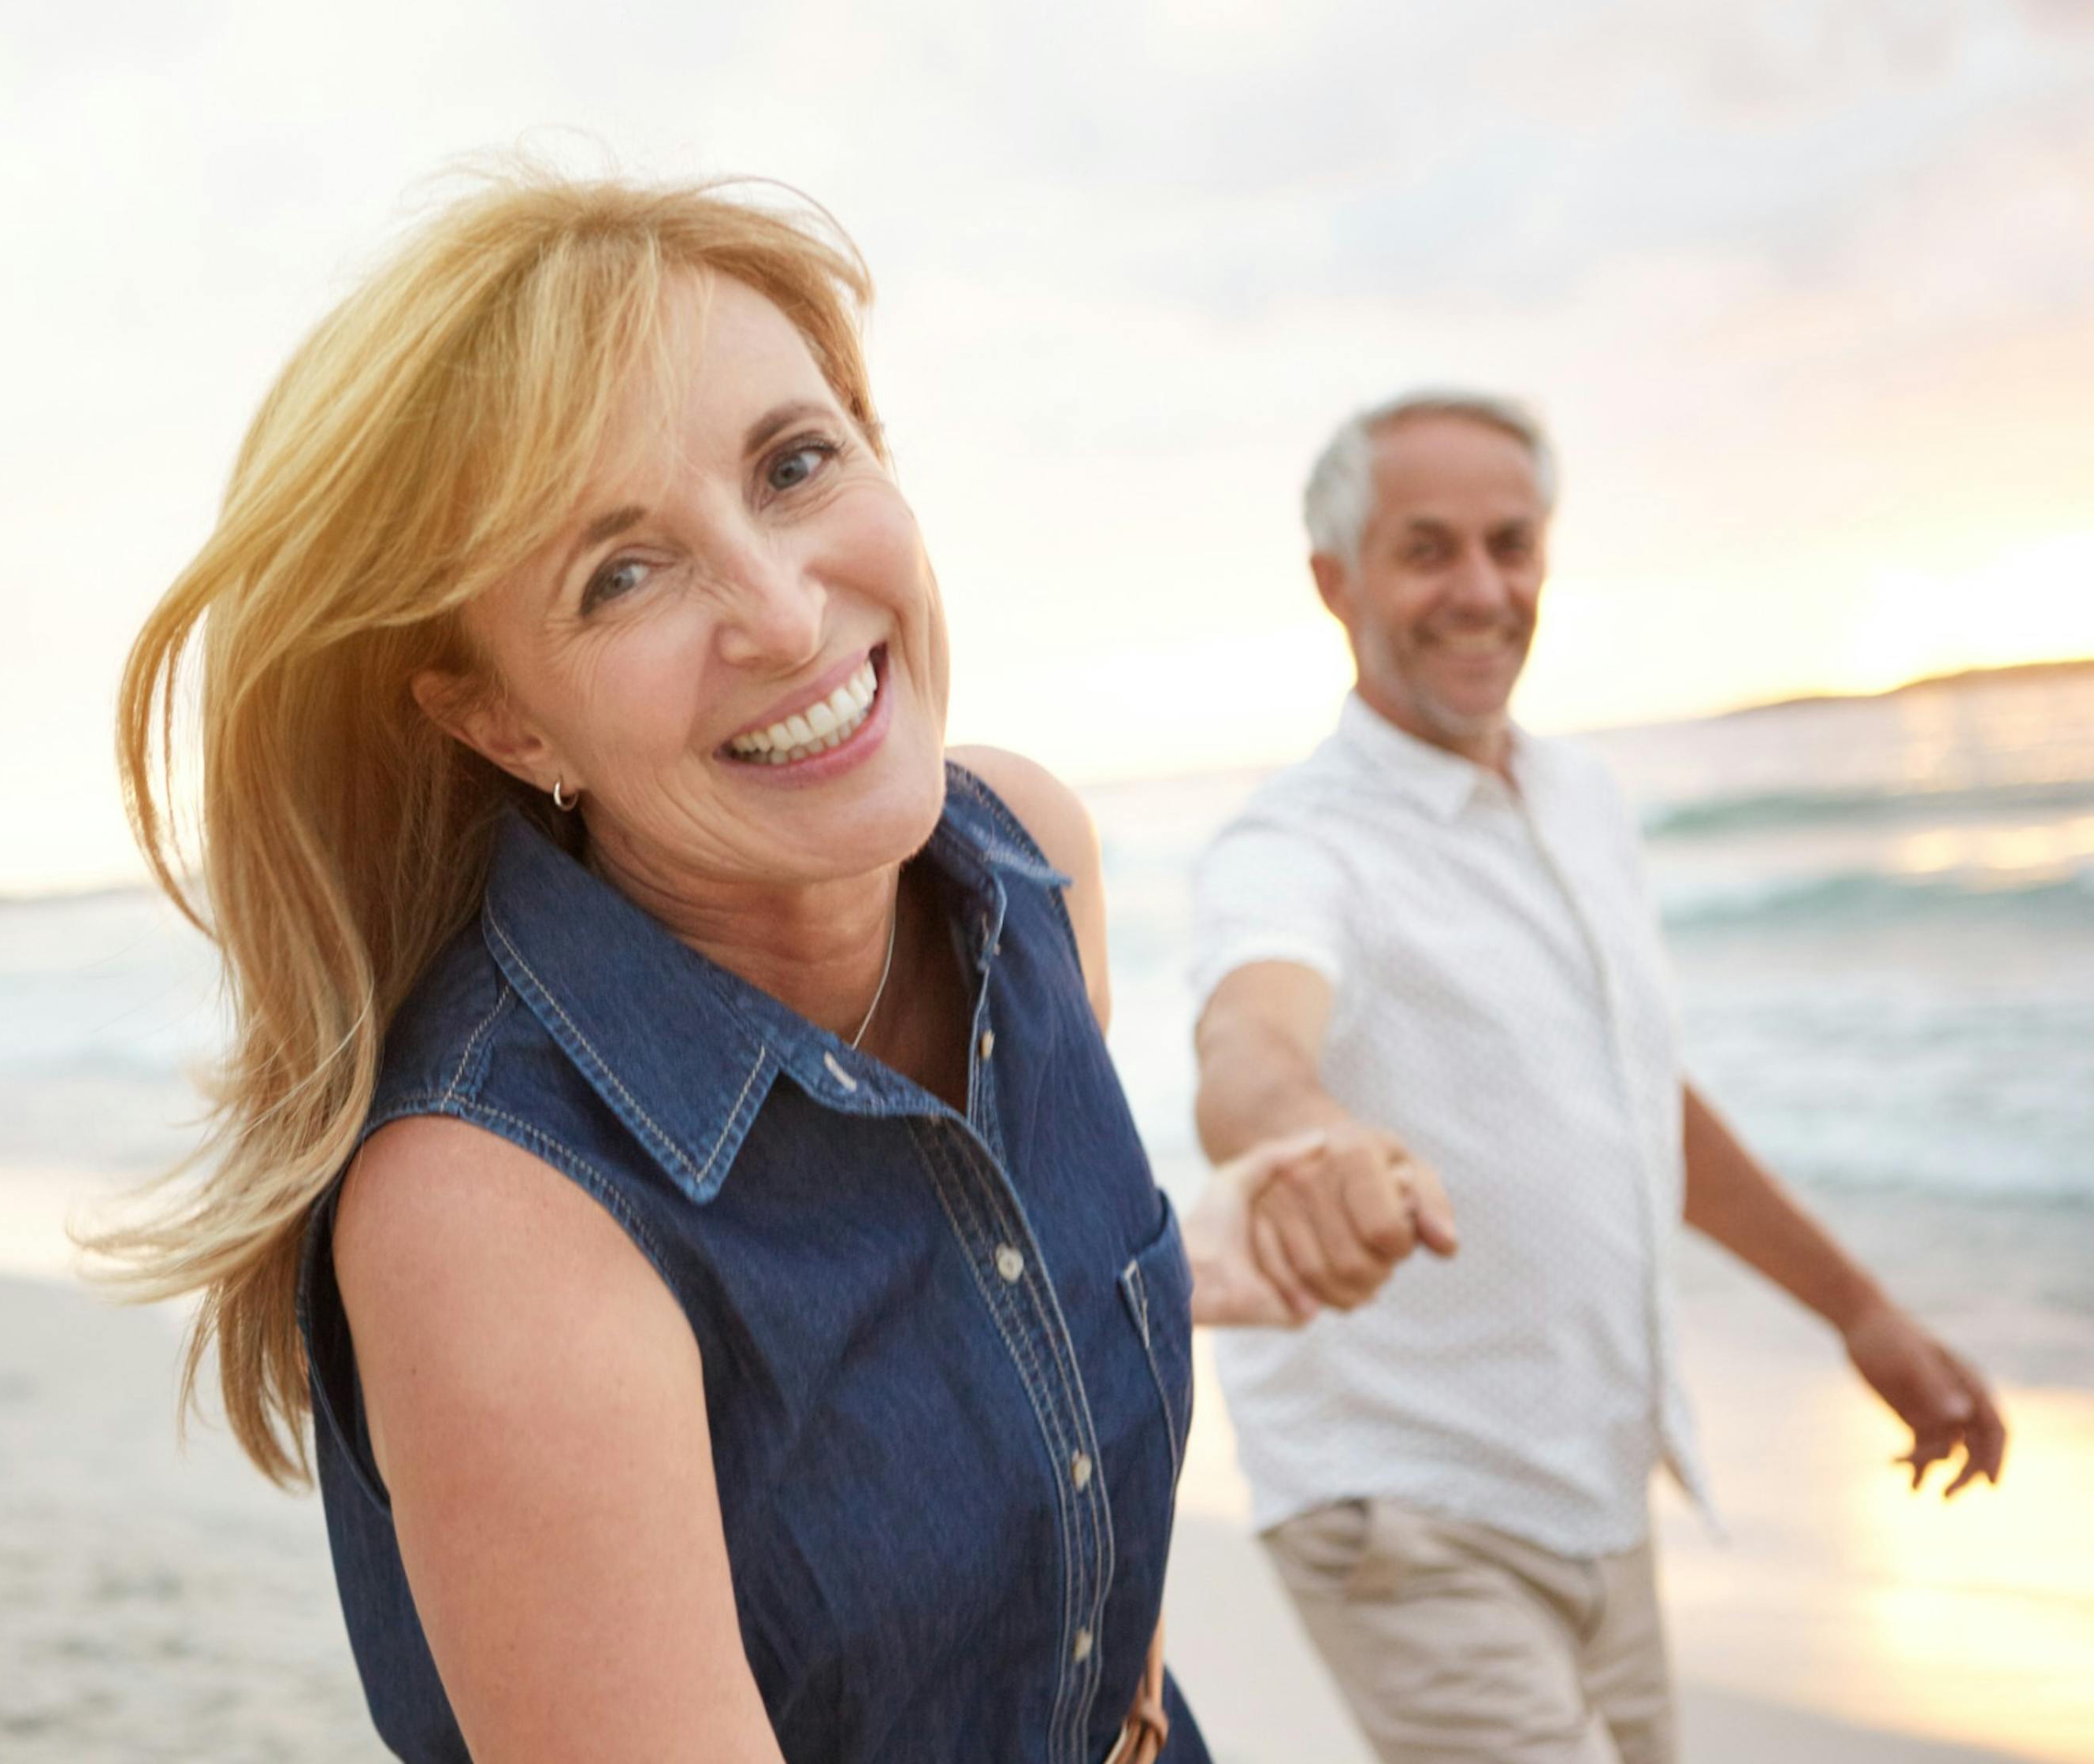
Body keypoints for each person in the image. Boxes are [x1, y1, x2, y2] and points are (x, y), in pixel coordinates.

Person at [97, 169, 1452, 1763]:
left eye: (795, 465)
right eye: (621, 571)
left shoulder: (1029, 861)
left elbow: (978, 1357)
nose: (784, 610)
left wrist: (1183, 1255)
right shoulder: (494, 1208)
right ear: (504, 718)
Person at [1187, 388, 2012, 1764]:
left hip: (1594, 1493)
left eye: (1512, 545)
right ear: (1335, 581)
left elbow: (1639, 1098)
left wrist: (1860, 1311)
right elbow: (1247, 1048)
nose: (1481, 588)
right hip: (1402, 1511)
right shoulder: (1292, 848)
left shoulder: (1583, 800)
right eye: (1427, 549)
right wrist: (1311, 1144)